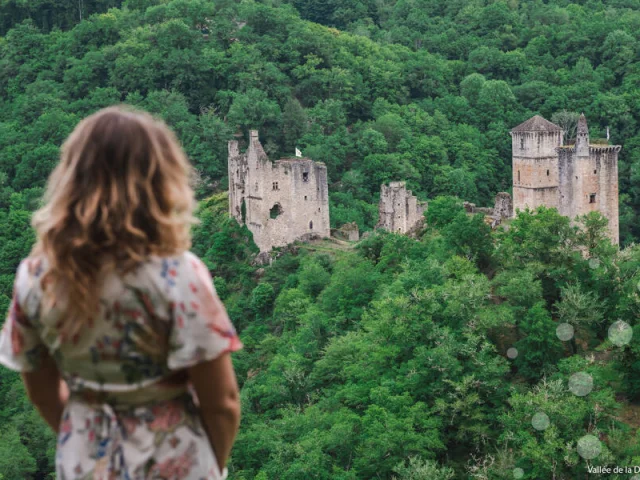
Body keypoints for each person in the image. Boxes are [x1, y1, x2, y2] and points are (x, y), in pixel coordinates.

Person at [0, 106, 243, 479]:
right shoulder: (178, 274)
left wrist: (87, 431)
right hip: (176, 461)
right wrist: (214, 465)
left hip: (86, 463)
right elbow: (222, 402)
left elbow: (42, 392)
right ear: (160, 180)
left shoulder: (36, 278)